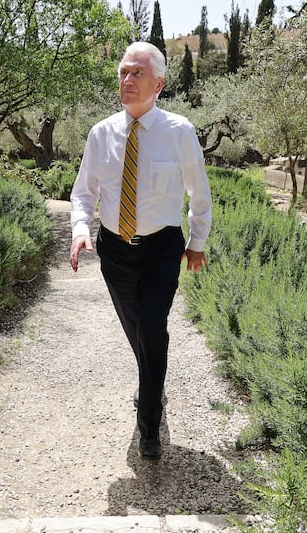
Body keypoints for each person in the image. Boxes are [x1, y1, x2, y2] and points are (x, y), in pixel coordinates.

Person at [68, 42, 212, 460]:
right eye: (123, 72)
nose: (127, 80)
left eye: (137, 73)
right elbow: (83, 192)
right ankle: (152, 377)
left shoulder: (179, 132)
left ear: (159, 84)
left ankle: (149, 424)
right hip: (114, 251)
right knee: (136, 330)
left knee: (152, 328)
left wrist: (197, 243)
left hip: (161, 249)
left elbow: (199, 194)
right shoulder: (101, 134)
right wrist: (80, 229)